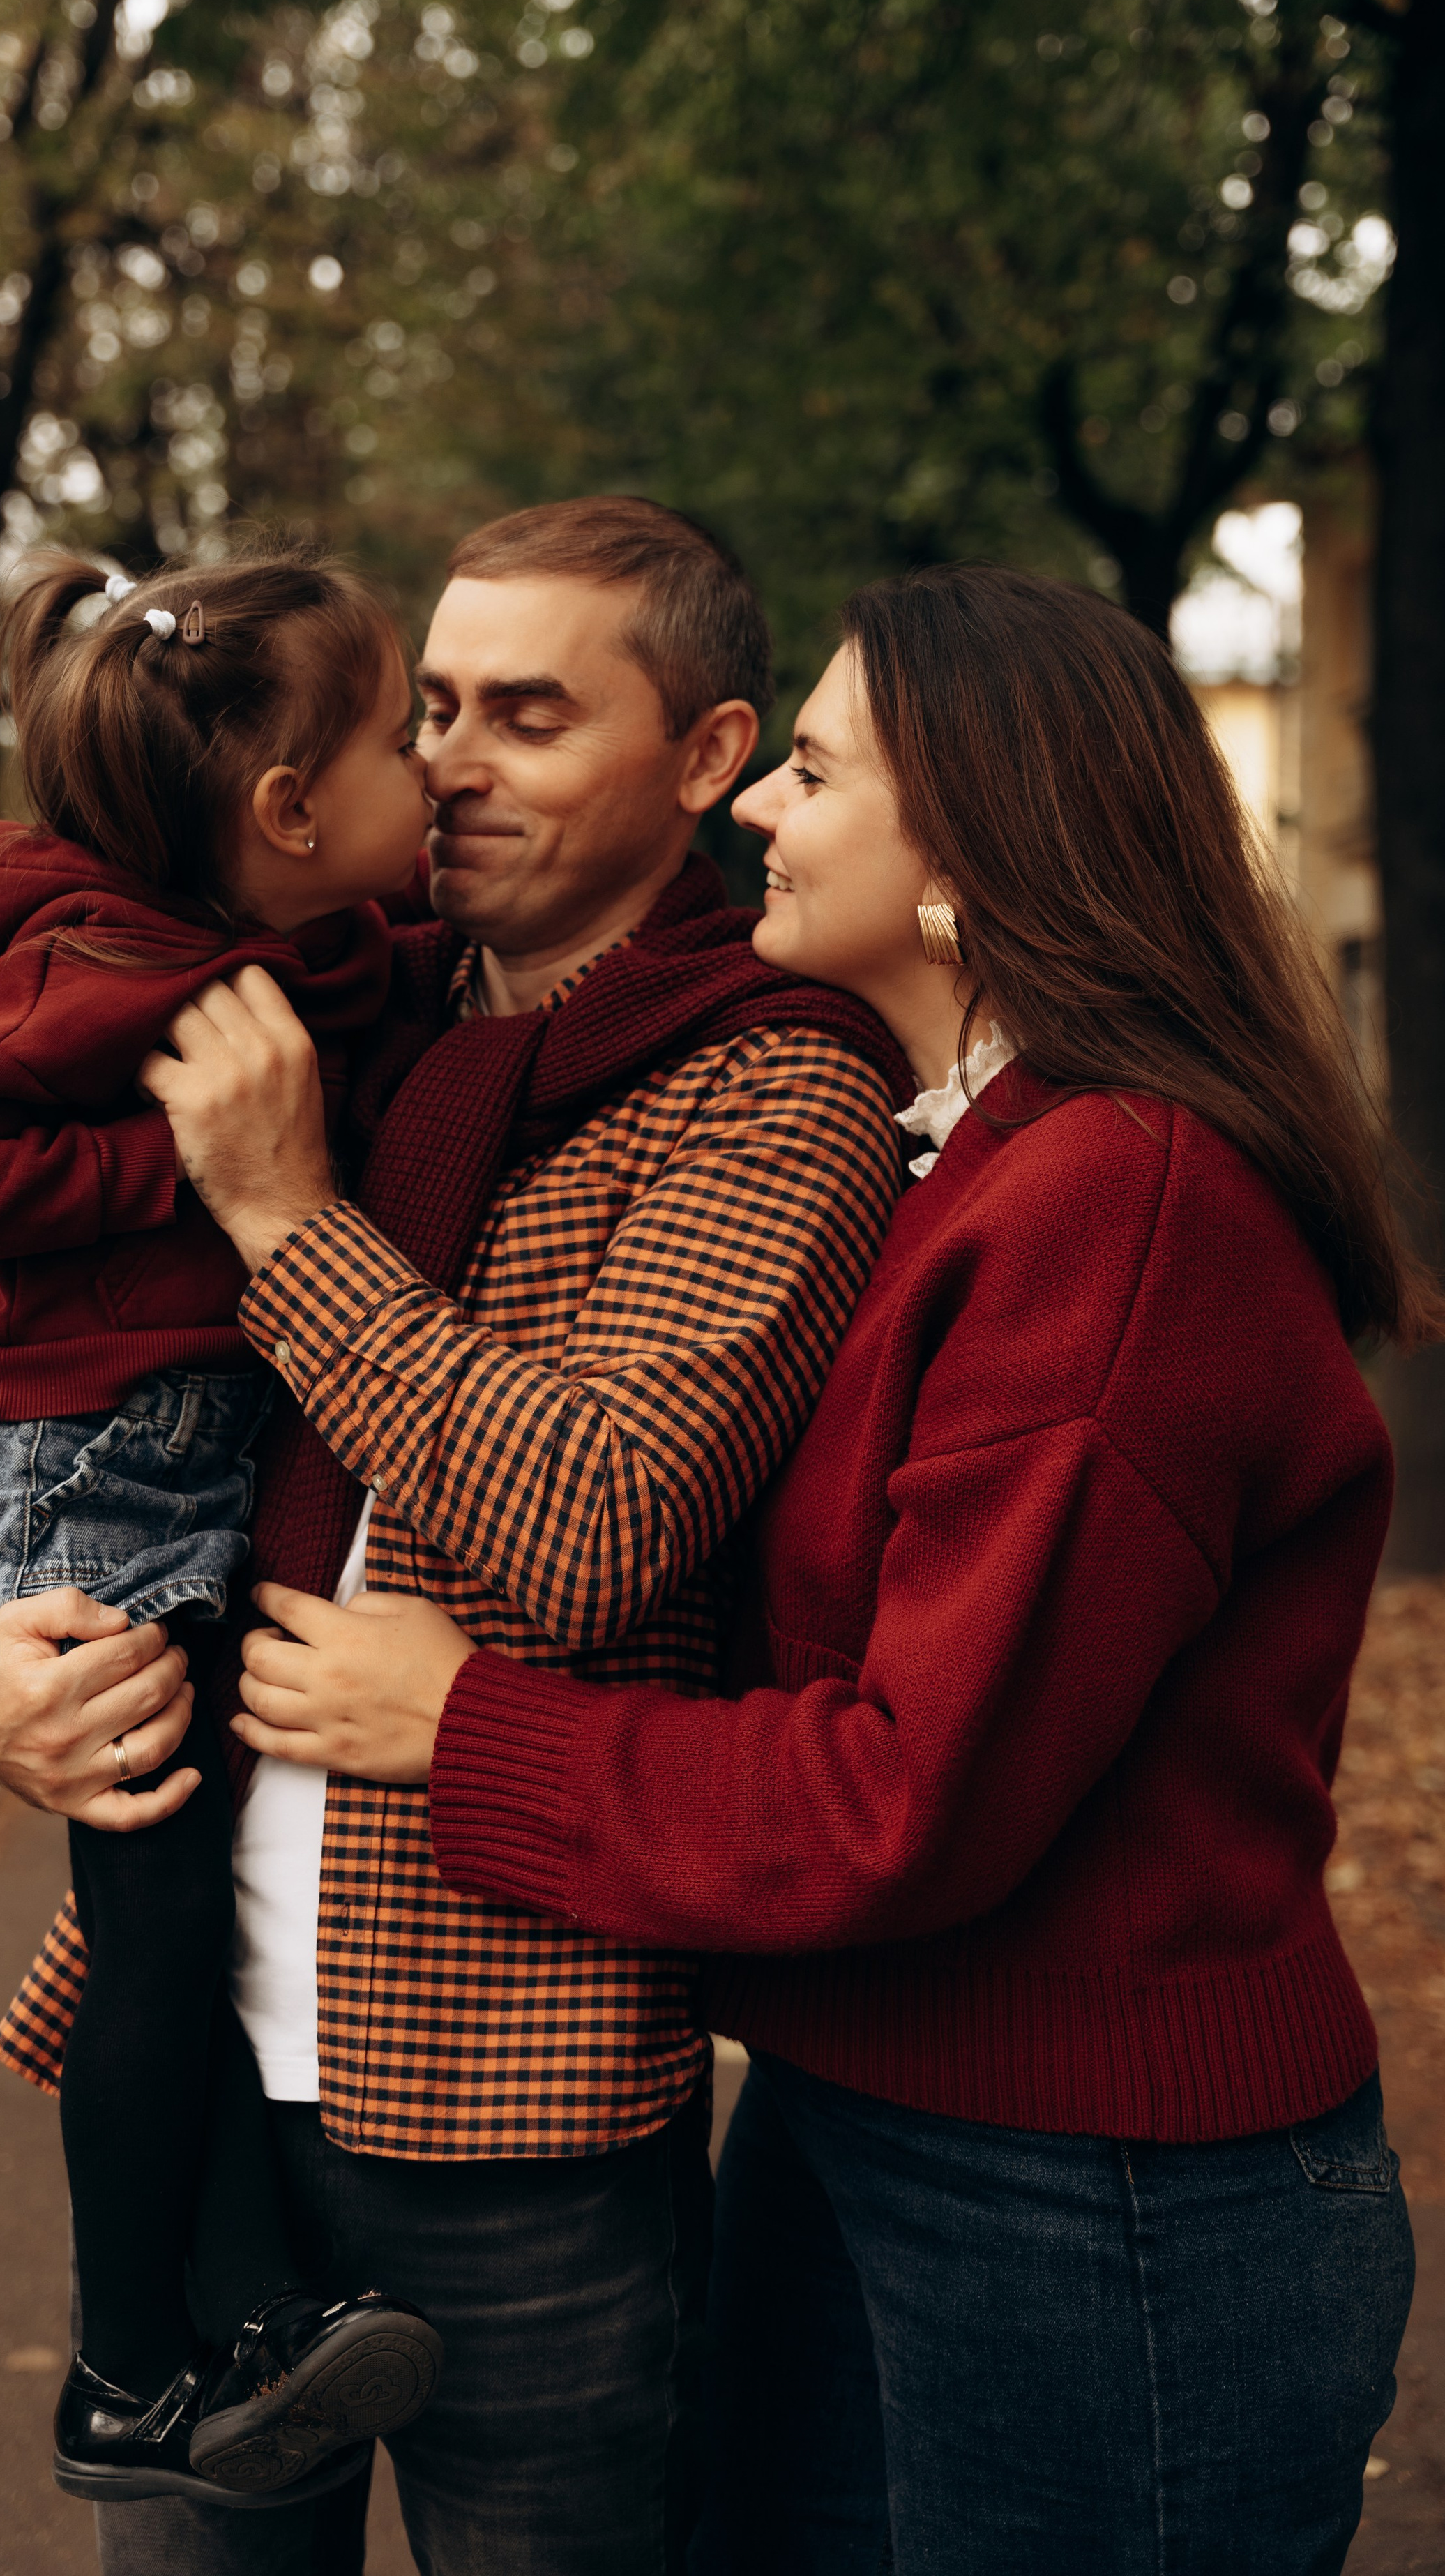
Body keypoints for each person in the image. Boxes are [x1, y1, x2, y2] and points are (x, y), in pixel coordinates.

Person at [225, 563, 1435, 2576]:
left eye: (808, 768)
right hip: (865, 2116)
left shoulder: (1119, 1201)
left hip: (1097, 2194)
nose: (761, 813)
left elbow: (904, 1795)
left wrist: (466, 1725)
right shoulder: (969, 1156)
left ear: (969, 838)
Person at [0, 497, 914, 2576]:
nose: (452, 760)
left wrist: (286, 1212)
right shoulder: (332, 1007)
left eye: (528, 716)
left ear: (706, 755)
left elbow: (592, 1527)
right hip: (203, 2043)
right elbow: (73, 1392)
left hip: (507, 2075)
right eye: (433, 705)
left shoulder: (773, 1087)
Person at [0, 545, 442, 2511]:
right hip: (70, 1471)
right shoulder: (104, 968)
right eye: (402, 734)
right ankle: (130, 2366)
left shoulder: (265, 924)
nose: (432, 762)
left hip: (146, 1446)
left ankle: (217, 2329)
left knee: (166, 1923)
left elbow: (367, 973)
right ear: (285, 811)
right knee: (156, 1927)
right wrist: (191, 1169)